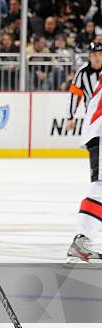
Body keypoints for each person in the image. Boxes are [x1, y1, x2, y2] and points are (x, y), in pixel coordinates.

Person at [66, 43, 102, 262]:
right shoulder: (83, 74)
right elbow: (75, 96)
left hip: (96, 129)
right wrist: (70, 116)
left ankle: (83, 239)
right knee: (101, 187)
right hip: (100, 130)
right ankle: (82, 239)